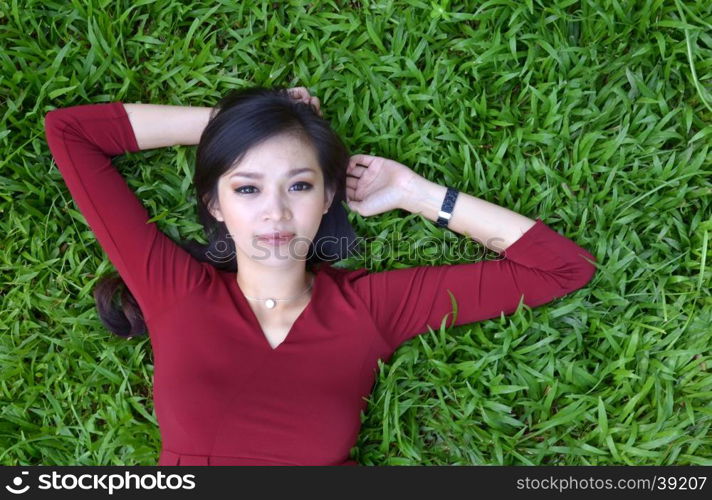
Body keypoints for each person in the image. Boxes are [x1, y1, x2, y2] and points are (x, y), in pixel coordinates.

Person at [43, 86, 597, 466]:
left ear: (328, 196)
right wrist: (242, 122)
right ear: (214, 204)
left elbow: (560, 268)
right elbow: (70, 132)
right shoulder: (174, 291)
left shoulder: (370, 309)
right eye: (248, 187)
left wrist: (415, 194)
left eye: (300, 185)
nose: (276, 212)